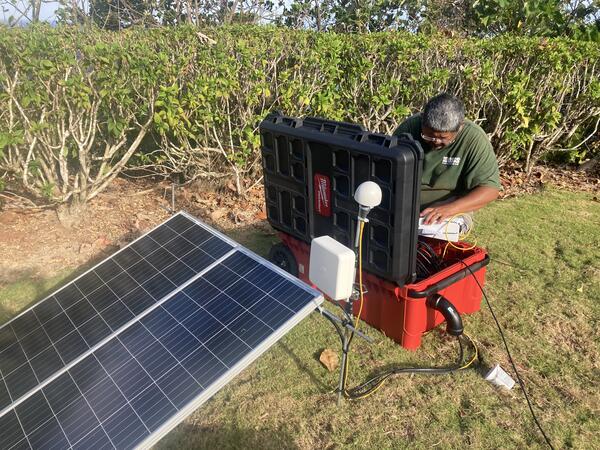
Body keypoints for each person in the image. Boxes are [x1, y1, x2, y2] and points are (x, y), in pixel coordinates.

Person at [393, 93, 501, 225]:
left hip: (453, 205)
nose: (436, 142)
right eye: (428, 137)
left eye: (443, 138)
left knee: (442, 235)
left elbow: (490, 190)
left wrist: (451, 208)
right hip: (405, 202)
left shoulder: (474, 138)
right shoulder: (408, 129)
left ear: (460, 127)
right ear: (422, 122)